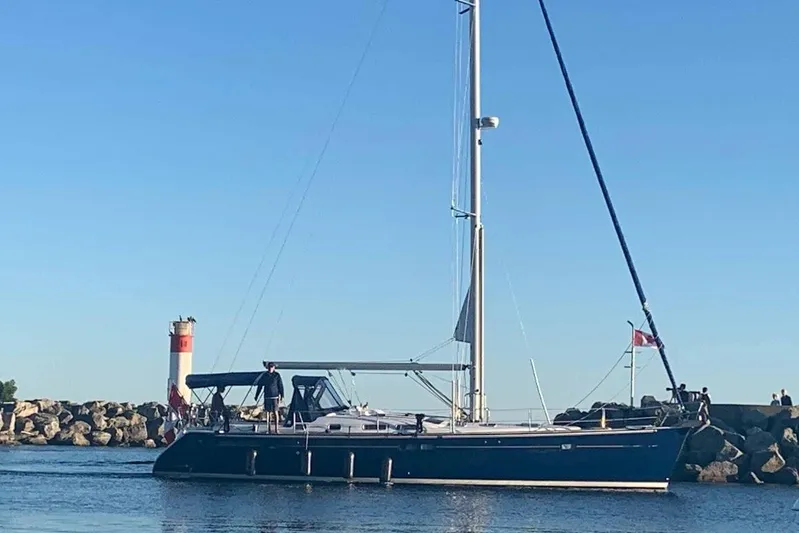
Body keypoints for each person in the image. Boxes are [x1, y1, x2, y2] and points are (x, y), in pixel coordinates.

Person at [255, 362, 284, 434]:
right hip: (267, 396)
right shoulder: (265, 375)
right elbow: (260, 385)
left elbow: (280, 385)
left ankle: (277, 429)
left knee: (275, 412)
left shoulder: (277, 375)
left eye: (272, 367)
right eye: (269, 367)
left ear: (274, 368)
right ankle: (268, 429)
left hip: (275, 396)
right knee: (267, 413)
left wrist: (282, 395)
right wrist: (257, 395)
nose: (270, 368)